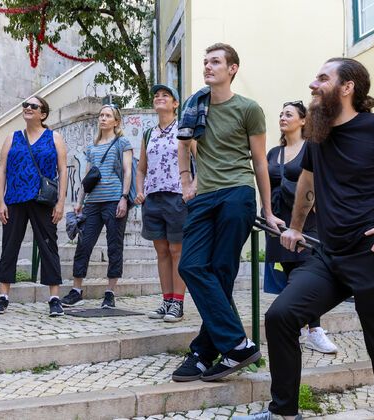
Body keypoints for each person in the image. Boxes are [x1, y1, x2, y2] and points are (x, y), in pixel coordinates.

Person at [239, 58, 374, 420]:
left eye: (323, 78)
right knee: (281, 316)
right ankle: (284, 413)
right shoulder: (319, 137)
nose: (313, 84)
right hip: (329, 256)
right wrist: (294, 226)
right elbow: (306, 184)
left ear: (347, 87)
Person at [172, 43, 283, 383]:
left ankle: (203, 353)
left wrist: (268, 208)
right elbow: (183, 145)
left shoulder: (248, 108)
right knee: (190, 265)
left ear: (233, 68)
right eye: (205, 61)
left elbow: (260, 161)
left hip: (237, 193)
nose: (208, 67)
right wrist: (186, 180)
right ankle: (237, 344)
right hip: (204, 196)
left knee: (221, 271)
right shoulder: (194, 106)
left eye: (215, 62)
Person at [264, 100, 336, 354]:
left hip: (308, 220)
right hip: (279, 221)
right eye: (281, 114)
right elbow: (265, 183)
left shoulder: (312, 147)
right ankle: (297, 326)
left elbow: (325, 178)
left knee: (307, 272)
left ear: (303, 120)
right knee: (287, 272)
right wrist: (267, 212)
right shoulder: (273, 153)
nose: (283, 118)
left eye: (289, 114)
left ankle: (315, 330)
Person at [0, 96, 68, 317]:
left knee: (48, 246)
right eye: (25, 105)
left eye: (33, 106)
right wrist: (0, 201)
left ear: (43, 114)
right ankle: (3, 296)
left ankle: (54, 297)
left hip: (43, 200)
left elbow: (63, 170)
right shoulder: (12, 138)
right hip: (14, 199)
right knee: (9, 246)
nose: (28, 108)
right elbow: (2, 169)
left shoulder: (54, 137)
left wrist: (61, 202)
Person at [62, 104, 133, 309]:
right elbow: (87, 177)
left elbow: (127, 172)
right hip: (92, 203)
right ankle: (76, 291)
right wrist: (79, 201)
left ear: (116, 121)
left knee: (114, 246)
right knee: (83, 245)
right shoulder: (92, 148)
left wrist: (124, 197)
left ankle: (110, 293)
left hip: (114, 201)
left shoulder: (122, 143)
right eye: (101, 115)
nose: (103, 118)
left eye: (107, 115)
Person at [135, 84, 187, 322]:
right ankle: (166, 300)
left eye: (165, 95)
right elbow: (141, 168)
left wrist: (192, 187)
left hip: (176, 196)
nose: (159, 98)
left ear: (175, 104)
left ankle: (178, 302)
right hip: (153, 198)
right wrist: (139, 191)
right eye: (156, 95)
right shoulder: (148, 133)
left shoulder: (184, 130)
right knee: (161, 251)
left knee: (177, 250)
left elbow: (199, 159)